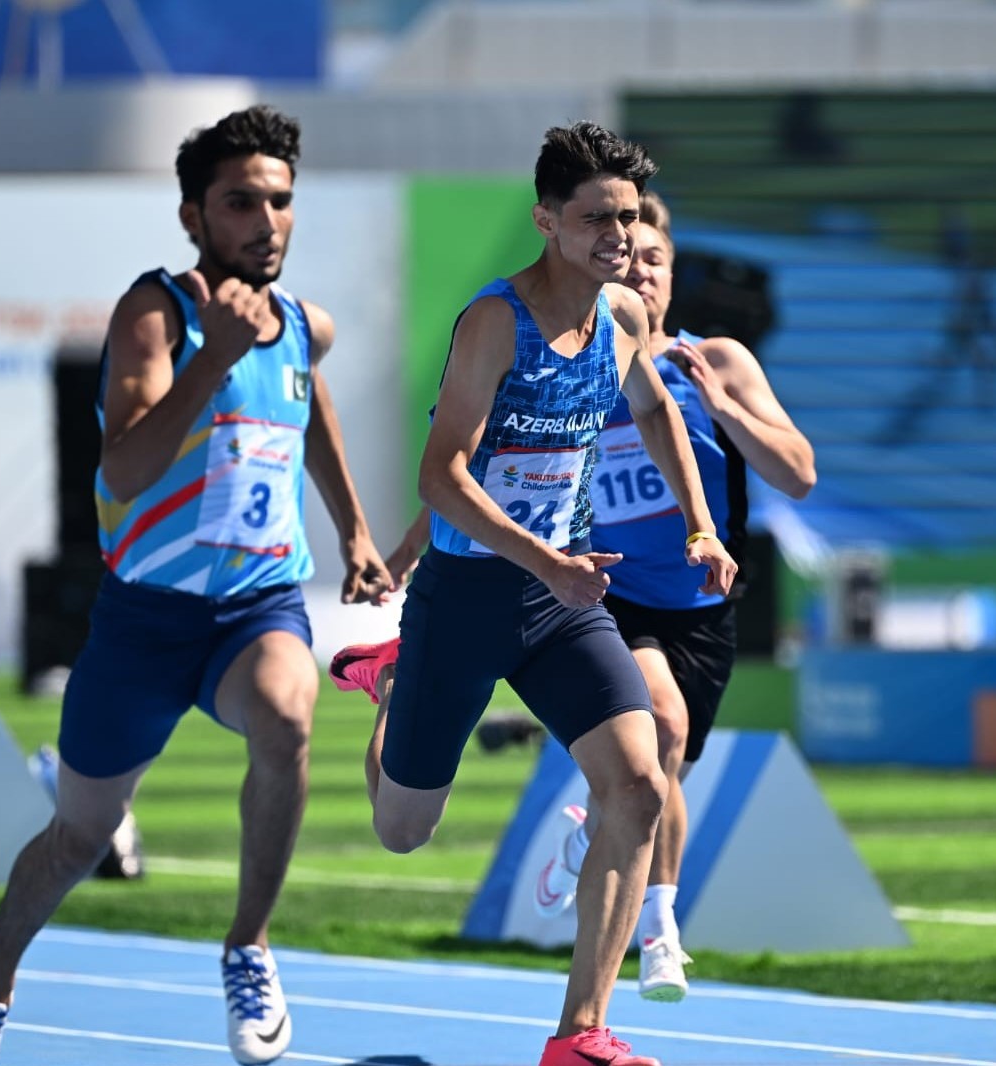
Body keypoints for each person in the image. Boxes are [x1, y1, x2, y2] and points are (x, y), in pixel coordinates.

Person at [0, 105, 391, 1066]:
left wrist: (352, 528)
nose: (265, 220)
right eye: (240, 202)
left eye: (280, 201)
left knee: (288, 715)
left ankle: (248, 944)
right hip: (145, 624)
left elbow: (313, 417)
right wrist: (210, 365)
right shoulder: (157, 314)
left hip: (256, 608)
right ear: (194, 216)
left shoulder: (305, 325)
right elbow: (125, 471)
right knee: (77, 839)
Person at [329, 122, 736, 1066]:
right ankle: (391, 688)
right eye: (597, 219)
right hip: (469, 598)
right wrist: (538, 558)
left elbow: (657, 410)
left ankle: (580, 1036)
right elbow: (441, 477)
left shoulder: (625, 318)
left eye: (630, 220)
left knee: (637, 783)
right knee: (402, 831)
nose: (620, 239)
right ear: (547, 221)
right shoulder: (494, 323)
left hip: (562, 605)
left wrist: (700, 523)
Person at [530, 191, 815, 1002]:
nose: (643, 273)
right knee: (664, 721)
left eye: (657, 261)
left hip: (702, 607)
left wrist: (719, 407)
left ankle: (603, 850)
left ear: (671, 274)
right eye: (629, 260)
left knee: (662, 776)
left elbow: (798, 474)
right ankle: (660, 940)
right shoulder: (576, 364)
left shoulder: (714, 361)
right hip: (607, 596)